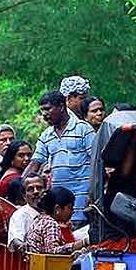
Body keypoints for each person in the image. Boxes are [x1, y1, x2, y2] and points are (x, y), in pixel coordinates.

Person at [22, 90, 96, 223]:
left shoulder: (84, 129)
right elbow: (35, 163)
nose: (44, 114)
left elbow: (97, 162)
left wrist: (93, 195)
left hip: (82, 202)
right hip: (59, 207)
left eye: (48, 109)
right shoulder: (46, 135)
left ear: (61, 107)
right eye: (42, 110)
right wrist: (19, 185)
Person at [26, 186, 88, 255]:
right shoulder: (50, 223)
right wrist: (81, 243)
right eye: (70, 207)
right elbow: (53, 251)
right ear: (57, 209)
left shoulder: (39, 219)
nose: (72, 211)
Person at [8, 174, 46, 252]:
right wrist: (24, 246)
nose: (36, 192)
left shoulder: (52, 211)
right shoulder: (20, 215)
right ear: (24, 196)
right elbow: (15, 239)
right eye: (30, 189)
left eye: (39, 188)